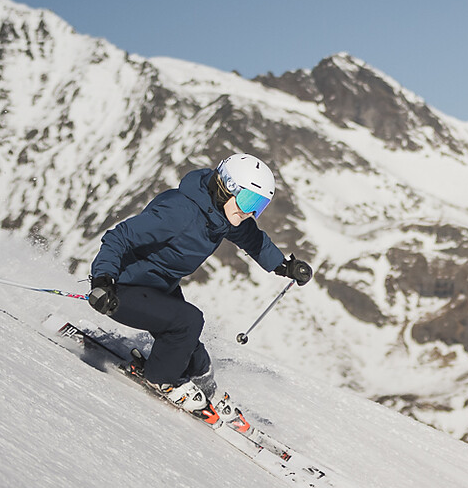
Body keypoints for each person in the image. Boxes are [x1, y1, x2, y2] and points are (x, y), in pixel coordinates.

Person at [86, 153, 312, 417]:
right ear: (227, 187)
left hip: (160, 287)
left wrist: (283, 266)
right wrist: (103, 281)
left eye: (259, 205)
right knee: (188, 321)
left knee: (196, 357)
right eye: (249, 200)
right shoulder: (180, 211)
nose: (250, 211)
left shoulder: (221, 216)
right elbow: (120, 237)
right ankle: (162, 379)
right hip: (122, 289)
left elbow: (252, 238)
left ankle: (203, 385)